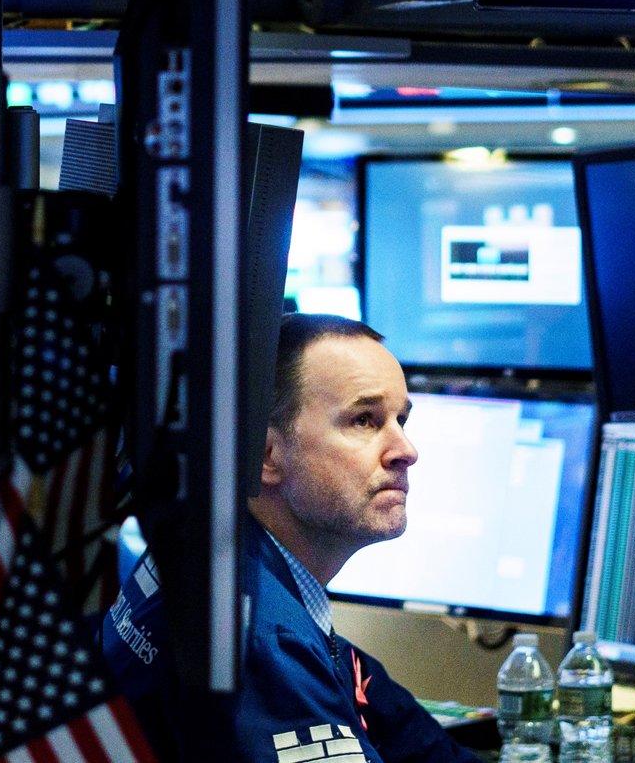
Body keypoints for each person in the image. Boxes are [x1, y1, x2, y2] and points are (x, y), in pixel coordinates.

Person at [103, 313, 482, 762]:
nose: (406, 451)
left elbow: (389, 715)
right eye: (364, 420)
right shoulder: (261, 637)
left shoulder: (213, 555)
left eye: (401, 419)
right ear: (265, 455)